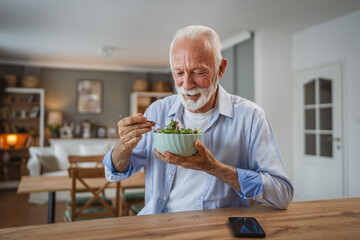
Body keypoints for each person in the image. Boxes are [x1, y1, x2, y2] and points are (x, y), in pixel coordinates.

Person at [103, 25, 294, 215]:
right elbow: (115, 173)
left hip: (217, 230)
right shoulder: (157, 111)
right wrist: (124, 146)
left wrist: (214, 168)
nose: (187, 85)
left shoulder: (251, 117)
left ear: (220, 69)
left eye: (198, 73)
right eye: (179, 73)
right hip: (158, 225)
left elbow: (282, 194)